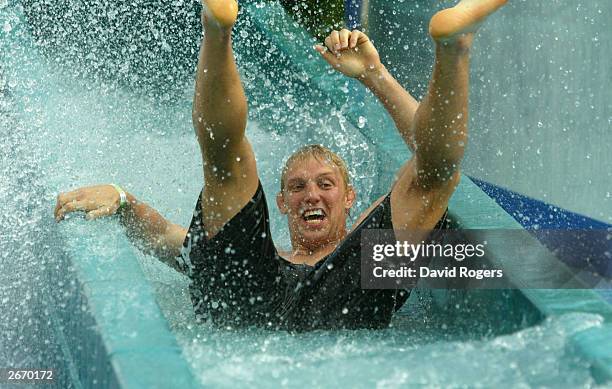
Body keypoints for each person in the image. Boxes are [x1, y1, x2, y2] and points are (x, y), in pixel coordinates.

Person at [54, 0, 507, 330]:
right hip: (258, 294)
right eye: (298, 187)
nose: (311, 194)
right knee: (225, 162)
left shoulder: (367, 252)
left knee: (430, 180)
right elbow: (161, 235)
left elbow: (433, 166)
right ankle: (217, 28)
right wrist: (120, 198)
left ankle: (454, 48)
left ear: (350, 198)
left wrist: (375, 75)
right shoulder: (249, 254)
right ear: (282, 203)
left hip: (340, 293)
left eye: (325, 184)